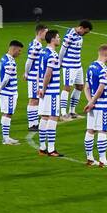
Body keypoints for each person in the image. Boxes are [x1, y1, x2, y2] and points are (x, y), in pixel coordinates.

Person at [82, 44, 107, 168]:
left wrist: (89, 102)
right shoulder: (104, 70)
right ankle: (103, 160)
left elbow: (86, 87)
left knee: (90, 131)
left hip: (92, 106)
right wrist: (93, 102)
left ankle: (90, 158)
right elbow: (101, 89)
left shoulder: (91, 67)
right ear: (106, 54)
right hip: (102, 106)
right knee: (103, 131)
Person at [35, 28, 63, 157]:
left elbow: (37, 72)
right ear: (52, 39)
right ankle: (51, 149)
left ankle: (42, 147)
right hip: (51, 92)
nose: (59, 39)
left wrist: (39, 87)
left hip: (42, 90)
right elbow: (48, 73)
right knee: (52, 117)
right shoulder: (52, 54)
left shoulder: (42, 52)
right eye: (57, 37)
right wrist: (44, 88)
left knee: (44, 117)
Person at [59, 20, 92, 121]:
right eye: (85, 32)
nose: (85, 34)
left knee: (80, 87)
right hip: (69, 65)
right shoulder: (70, 34)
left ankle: (72, 111)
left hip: (78, 65)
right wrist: (59, 63)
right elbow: (62, 49)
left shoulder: (80, 36)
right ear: (81, 28)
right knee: (67, 87)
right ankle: (63, 113)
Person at [0, 39, 22, 145]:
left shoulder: (4, 58)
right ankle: (6, 138)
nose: (19, 53)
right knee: (8, 114)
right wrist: (0, 88)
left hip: (4, 92)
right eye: (19, 51)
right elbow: (6, 78)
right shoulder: (10, 61)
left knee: (6, 113)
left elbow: (1, 76)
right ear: (13, 49)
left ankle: (5, 137)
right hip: (9, 92)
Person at [24, 23, 47, 131]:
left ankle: (34, 123)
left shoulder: (37, 44)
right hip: (33, 77)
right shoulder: (36, 45)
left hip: (36, 76)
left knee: (36, 100)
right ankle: (31, 124)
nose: (46, 35)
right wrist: (26, 73)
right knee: (33, 100)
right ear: (40, 32)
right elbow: (29, 61)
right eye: (46, 32)